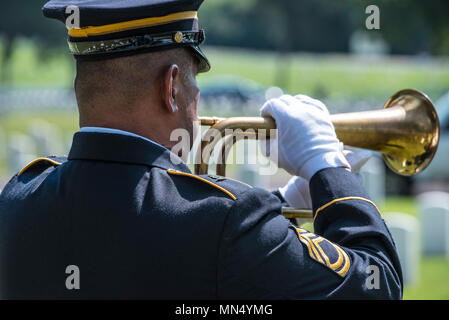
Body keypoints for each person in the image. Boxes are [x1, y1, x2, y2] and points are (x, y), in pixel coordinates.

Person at [0, 0, 402, 299]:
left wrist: (280, 209)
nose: (197, 98)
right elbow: (378, 283)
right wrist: (327, 168)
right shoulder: (228, 221)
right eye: (195, 81)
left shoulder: (18, 197)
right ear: (171, 87)